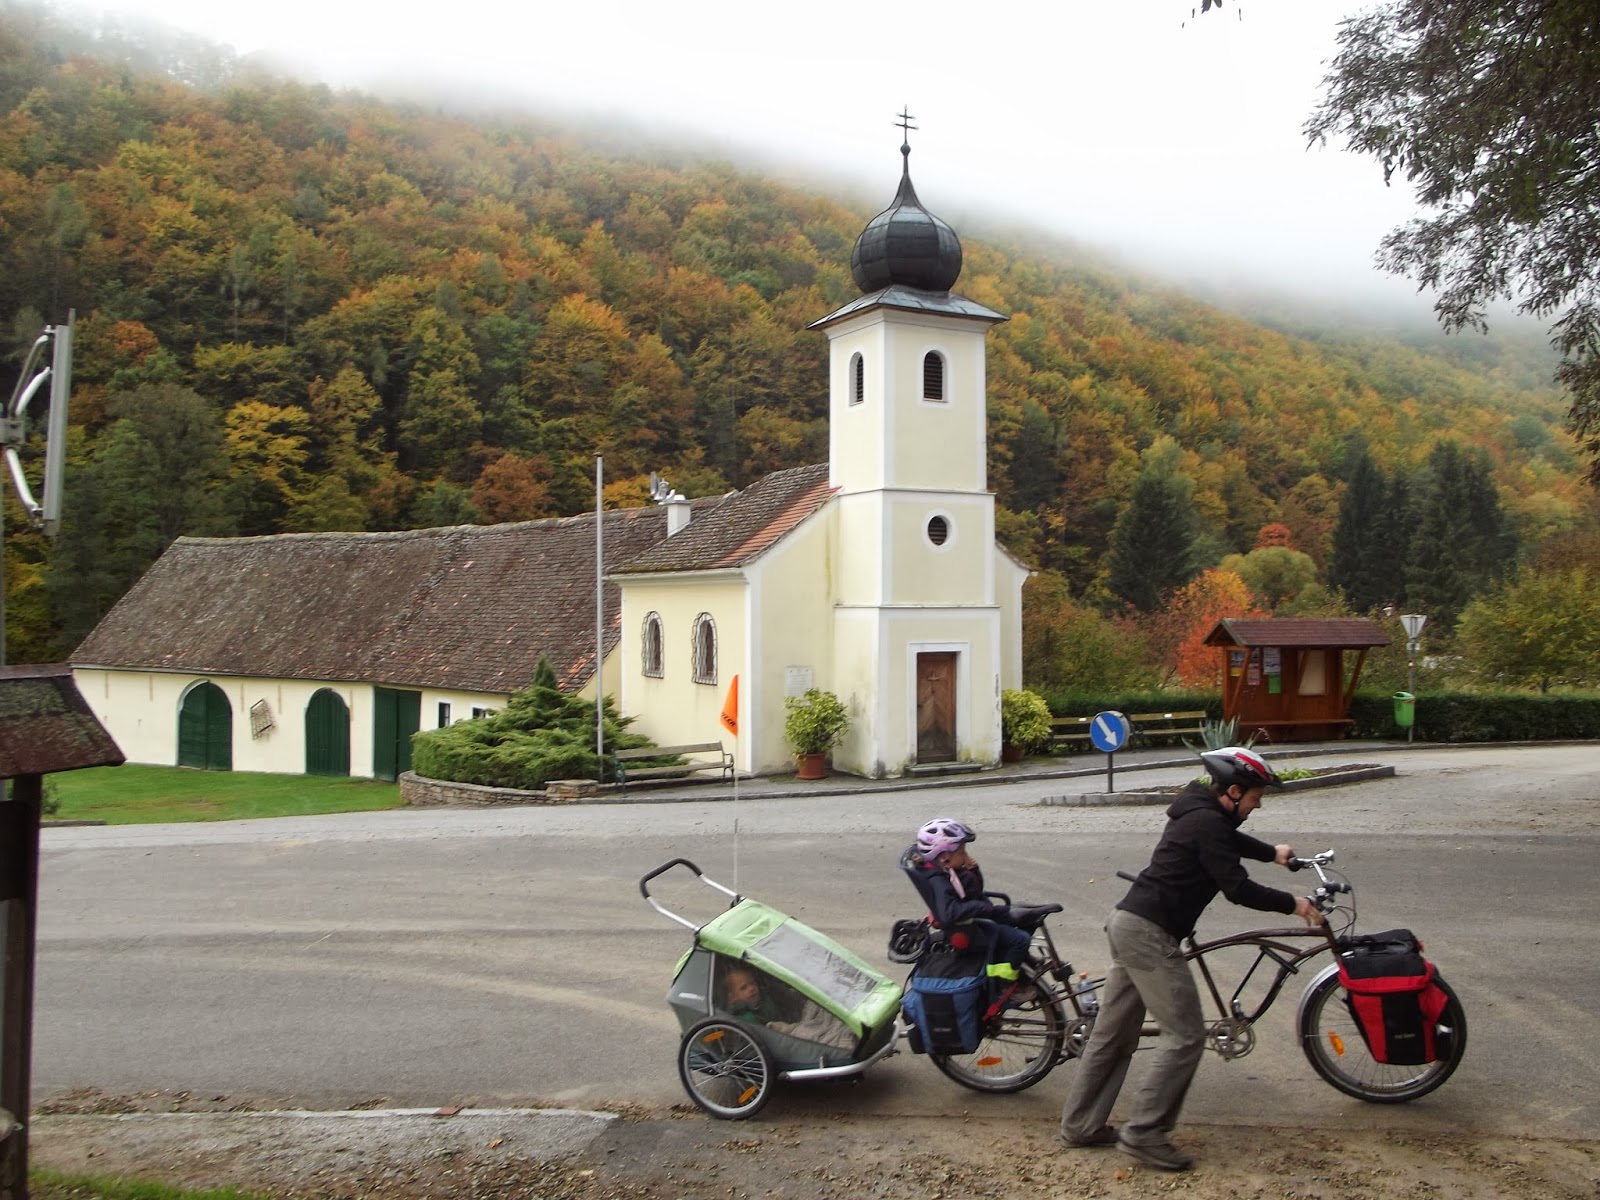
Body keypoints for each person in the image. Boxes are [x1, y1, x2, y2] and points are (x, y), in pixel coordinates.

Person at [1057, 746, 1324, 1173]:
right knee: (1183, 1036)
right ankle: (1145, 1134)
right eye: (1256, 798)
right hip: (1148, 934)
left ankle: (1081, 1126)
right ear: (1234, 792)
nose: (1257, 806)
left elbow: (1229, 841)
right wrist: (1294, 903)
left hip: (1131, 923)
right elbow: (1237, 888)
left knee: (1113, 1036)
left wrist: (1272, 853)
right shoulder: (1206, 821)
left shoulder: (1203, 813)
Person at [906, 817, 1034, 966]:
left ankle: (1022, 961)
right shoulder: (939, 881)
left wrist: (973, 871)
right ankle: (1005, 979)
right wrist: (980, 906)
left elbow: (973, 891)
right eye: (962, 852)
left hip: (974, 919)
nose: (966, 856)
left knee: (1024, 917)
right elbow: (949, 913)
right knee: (1021, 940)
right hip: (970, 931)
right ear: (944, 857)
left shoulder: (949, 871)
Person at [721, 962, 855, 1051]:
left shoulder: (764, 999)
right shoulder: (745, 1017)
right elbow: (766, 1038)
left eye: (752, 983)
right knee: (814, 1031)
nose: (751, 989)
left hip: (792, 1023)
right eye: (744, 988)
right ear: (733, 997)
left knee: (818, 1009)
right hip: (778, 1040)